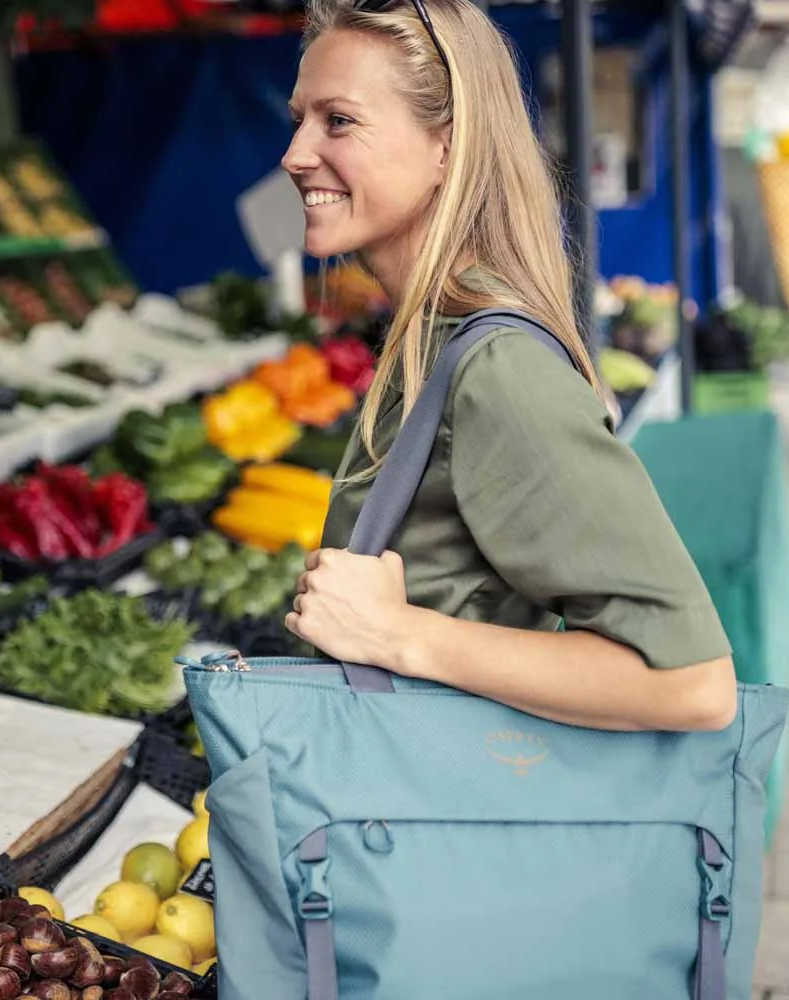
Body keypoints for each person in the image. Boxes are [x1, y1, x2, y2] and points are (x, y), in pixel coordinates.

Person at [281, 0, 737, 732]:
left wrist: (397, 635)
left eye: (338, 121)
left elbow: (689, 682)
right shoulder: (431, 338)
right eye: (299, 119)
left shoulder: (497, 365)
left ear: (447, 147)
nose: (296, 154)